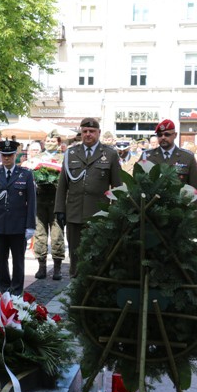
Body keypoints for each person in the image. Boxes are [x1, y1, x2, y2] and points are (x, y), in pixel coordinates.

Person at [54, 118, 122, 278]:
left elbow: (117, 187)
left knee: (97, 254)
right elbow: (62, 184)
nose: (88, 134)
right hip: (74, 214)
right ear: (81, 133)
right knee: (75, 255)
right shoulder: (71, 153)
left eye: (91, 131)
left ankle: (94, 289)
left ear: (98, 133)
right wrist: (59, 210)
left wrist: (116, 213)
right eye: (85, 131)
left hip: (99, 215)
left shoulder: (110, 154)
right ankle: (74, 287)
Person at [0, 140, 36, 295]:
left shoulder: (25, 174)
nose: (7, 158)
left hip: (18, 225)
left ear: (15, 155)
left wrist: (30, 225)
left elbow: (32, 202)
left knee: (18, 261)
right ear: (0, 155)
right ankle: (3, 288)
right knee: (1, 260)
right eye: (4, 155)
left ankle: (17, 290)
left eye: (10, 155)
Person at [24, 131, 65, 280]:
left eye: (53, 141)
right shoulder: (37, 159)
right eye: (47, 140)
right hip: (39, 200)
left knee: (57, 236)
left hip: (57, 202)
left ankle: (57, 267)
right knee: (40, 235)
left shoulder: (63, 158)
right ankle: (41, 266)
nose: (50, 143)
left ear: (59, 142)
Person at [140, 119, 197, 216]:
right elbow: (138, 186)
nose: (163, 137)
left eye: (167, 134)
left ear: (175, 135)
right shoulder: (147, 156)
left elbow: (196, 189)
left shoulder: (187, 157)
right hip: (152, 213)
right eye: (160, 135)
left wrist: (196, 217)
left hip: (179, 213)